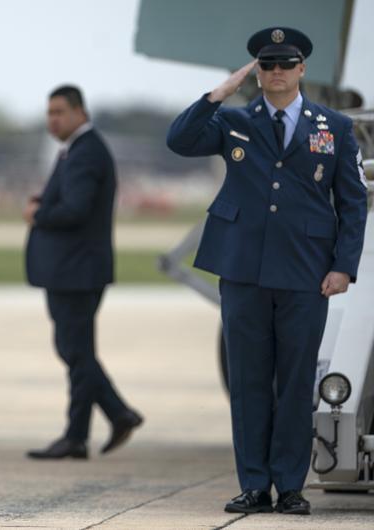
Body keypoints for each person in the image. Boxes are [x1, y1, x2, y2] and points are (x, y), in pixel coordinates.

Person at [167, 27, 368, 515]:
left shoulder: (334, 127)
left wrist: (344, 267)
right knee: (249, 381)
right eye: (266, 64)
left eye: (285, 63)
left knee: (296, 382)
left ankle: (291, 486)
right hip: (243, 270)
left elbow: (353, 202)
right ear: (256, 72)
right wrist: (218, 94)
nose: (275, 72)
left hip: (304, 271)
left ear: (302, 69)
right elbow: (180, 139)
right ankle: (254, 484)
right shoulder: (234, 121)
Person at [24, 85, 143, 461]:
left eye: (59, 112)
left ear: (80, 113)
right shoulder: (76, 149)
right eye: (49, 113)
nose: (52, 120)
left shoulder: (86, 151)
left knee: (75, 351)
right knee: (76, 351)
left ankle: (113, 415)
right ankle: (82, 431)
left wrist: (38, 214)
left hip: (76, 272)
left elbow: (75, 210)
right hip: (72, 270)